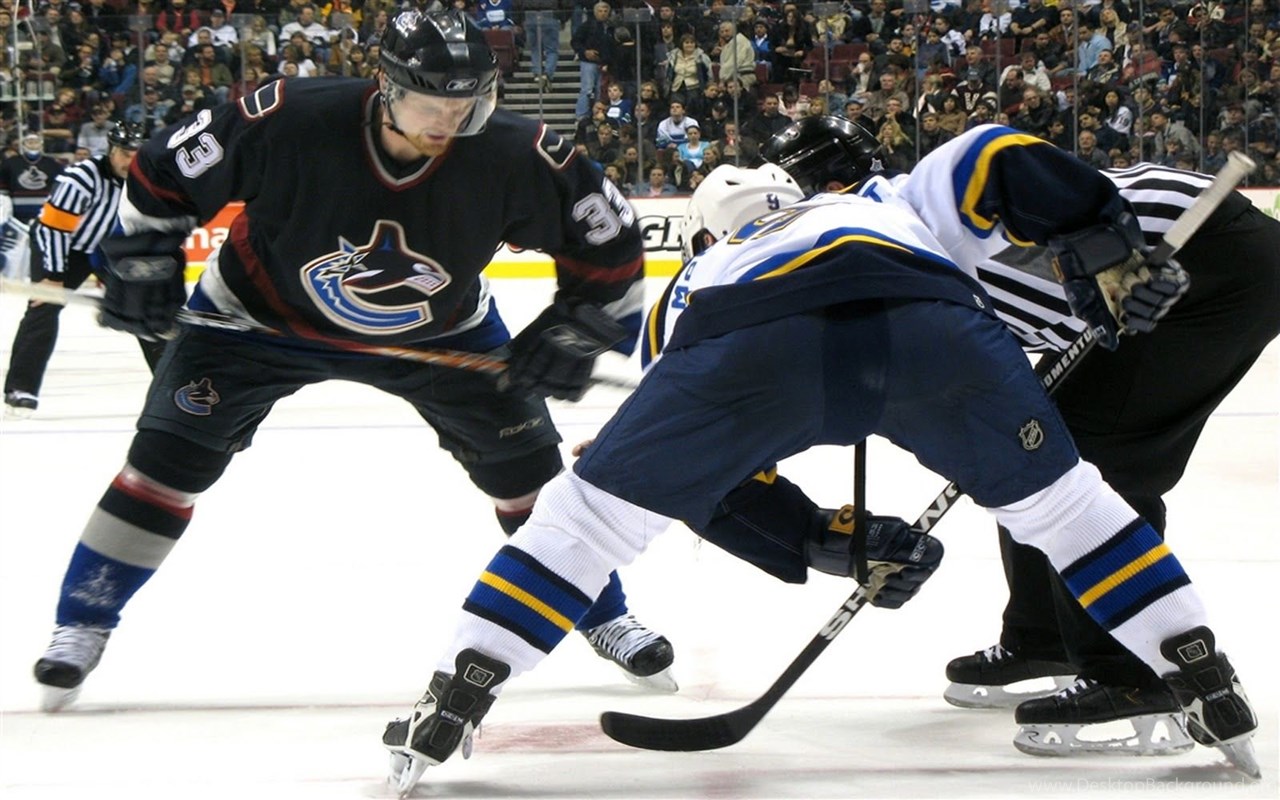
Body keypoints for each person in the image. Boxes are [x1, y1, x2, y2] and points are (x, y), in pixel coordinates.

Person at [378, 125, 1257, 792]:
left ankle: (459, 691)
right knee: (1067, 510)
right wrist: (1099, 244)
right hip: (929, 325)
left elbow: (717, 493)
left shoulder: (690, 284)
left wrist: (820, 537)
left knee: (585, 524)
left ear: (702, 235)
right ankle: (1201, 676)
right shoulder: (886, 200)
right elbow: (997, 154)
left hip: (742, 343)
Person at [29, 9, 676, 714]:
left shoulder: (518, 154)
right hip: (252, 321)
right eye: (430, 102)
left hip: (442, 335)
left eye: (468, 103)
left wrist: (576, 330)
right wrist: (144, 256)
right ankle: (82, 622)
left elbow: (611, 246)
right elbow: (163, 169)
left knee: (530, 479)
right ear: (385, 85)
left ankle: (603, 614)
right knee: (164, 464)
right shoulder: (288, 116)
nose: (449, 121)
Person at [767, 117, 1273, 762]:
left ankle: (1134, 677)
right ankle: (1044, 639)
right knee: (1032, 455)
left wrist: (1110, 257)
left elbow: (1014, 164)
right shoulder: (876, 251)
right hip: (1166, 277)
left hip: (1203, 260)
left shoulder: (910, 214)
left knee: (1093, 467)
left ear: (828, 188)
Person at [3, 124, 166, 419]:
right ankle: (20, 389)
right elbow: (53, 229)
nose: (131, 161)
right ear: (111, 150)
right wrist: (53, 277)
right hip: (63, 244)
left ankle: (172, 390)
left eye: (138, 154)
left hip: (108, 248)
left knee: (145, 314)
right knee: (44, 307)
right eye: (125, 153)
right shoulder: (81, 178)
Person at [0, 133, 63, 312]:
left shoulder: (52, 164)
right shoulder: (11, 163)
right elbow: (3, 191)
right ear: (23, 143)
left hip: (44, 218)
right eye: (29, 141)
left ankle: (40, 283)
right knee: (14, 252)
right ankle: (11, 285)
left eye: (36, 141)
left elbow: (59, 189)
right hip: (16, 219)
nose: (33, 144)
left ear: (41, 144)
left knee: (41, 252)